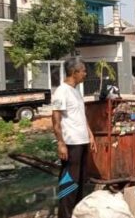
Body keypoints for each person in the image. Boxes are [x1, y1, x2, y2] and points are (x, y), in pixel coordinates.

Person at [52, 57, 97, 218]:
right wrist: (60, 143)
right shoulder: (61, 92)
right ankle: (64, 215)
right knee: (69, 182)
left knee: (80, 181)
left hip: (82, 141)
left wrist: (90, 135)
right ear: (74, 72)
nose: (85, 74)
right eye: (83, 71)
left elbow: (81, 116)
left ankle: (76, 214)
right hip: (71, 144)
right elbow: (55, 120)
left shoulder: (76, 91)